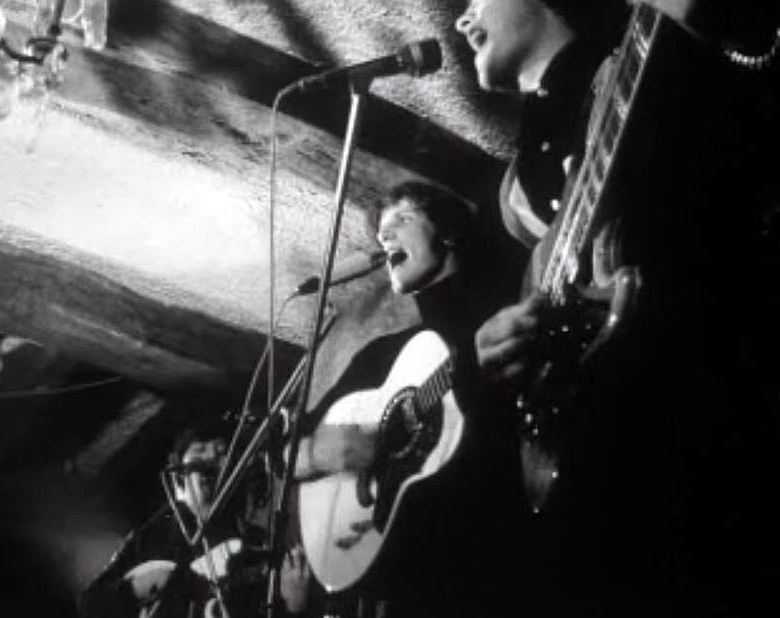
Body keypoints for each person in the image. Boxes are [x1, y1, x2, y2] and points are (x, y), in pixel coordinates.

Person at [454, 0, 779, 616]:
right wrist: (487, 362)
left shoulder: (648, 53)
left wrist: (720, 34)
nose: (461, 20)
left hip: (713, 446)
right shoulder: (512, 192)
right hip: (595, 493)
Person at [289, 180, 517, 617]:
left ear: (448, 232)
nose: (384, 236)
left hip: (496, 562)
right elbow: (283, 455)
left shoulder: (504, 308)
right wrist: (314, 453)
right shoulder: (382, 357)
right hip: (413, 584)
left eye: (402, 220)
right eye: (380, 232)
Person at [79, 419, 271, 618]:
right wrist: (146, 586)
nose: (212, 456)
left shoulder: (252, 539)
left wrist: (293, 605)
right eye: (201, 449)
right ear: (179, 472)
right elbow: (91, 604)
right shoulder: (151, 536)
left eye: (222, 451)